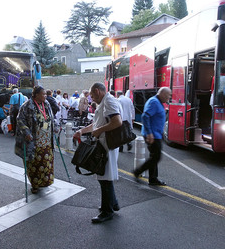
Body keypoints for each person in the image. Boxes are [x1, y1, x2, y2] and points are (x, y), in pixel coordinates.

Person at [73, 82, 122, 223]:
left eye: (92, 95)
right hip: (103, 143)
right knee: (104, 175)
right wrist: (81, 130)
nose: (91, 99)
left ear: (97, 91)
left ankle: (107, 211)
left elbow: (117, 121)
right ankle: (113, 203)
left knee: (104, 176)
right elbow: (96, 123)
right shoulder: (104, 102)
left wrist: (99, 131)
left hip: (107, 144)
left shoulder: (109, 101)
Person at [15, 86, 55, 194]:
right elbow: (20, 120)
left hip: (46, 140)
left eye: (46, 94)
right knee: (34, 163)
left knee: (46, 162)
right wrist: (26, 132)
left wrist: (54, 127)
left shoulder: (46, 104)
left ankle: (45, 182)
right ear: (36, 95)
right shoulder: (27, 105)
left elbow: (51, 117)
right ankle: (35, 185)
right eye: (43, 94)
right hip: (34, 140)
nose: (45, 96)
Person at [133, 87, 172, 186]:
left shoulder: (158, 102)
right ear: (162, 94)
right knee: (156, 157)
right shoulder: (154, 102)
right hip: (152, 135)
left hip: (156, 134)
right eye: (168, 95)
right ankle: (138, 171)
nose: (169, 97)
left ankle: (153, 179)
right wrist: (149, 133)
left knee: (154, 156)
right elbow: (145, 116)